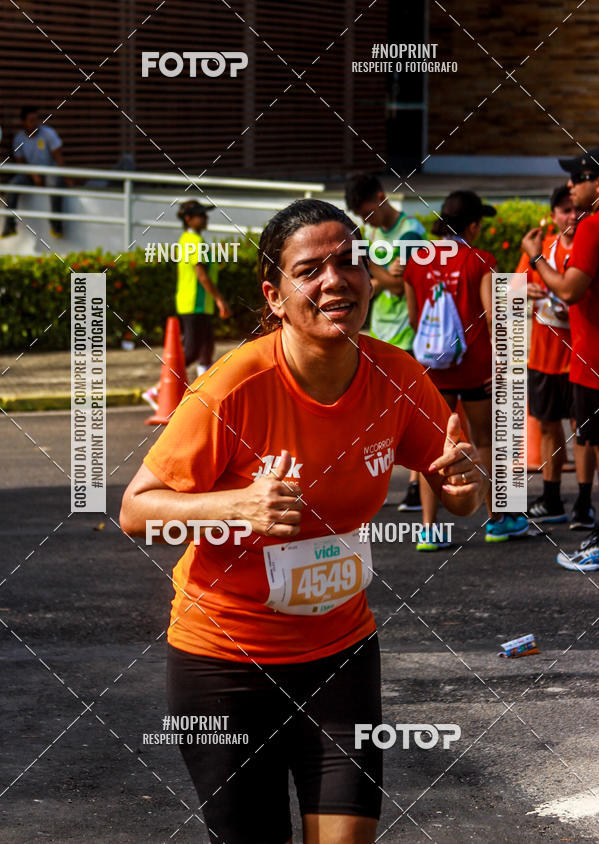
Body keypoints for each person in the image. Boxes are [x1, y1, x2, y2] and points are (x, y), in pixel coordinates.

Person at [120, 199, 488, 843]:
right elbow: (136, 510)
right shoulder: (234, 388)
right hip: (223, 665)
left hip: (340, 658)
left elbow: (455, 495)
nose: (334, 280)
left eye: (350, 262)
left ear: (371, 278)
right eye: (310, 269)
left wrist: (460, 484)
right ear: (276, 294)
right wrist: (236, 505)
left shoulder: (397, 378)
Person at [404, 190, 529, 548]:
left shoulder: (417, 261)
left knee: (432, 446)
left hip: (433, 367)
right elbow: (492, 317)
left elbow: (415, 320)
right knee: (486, 439)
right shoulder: (481, 261)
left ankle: (429, 530)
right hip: (476, 367)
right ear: (472, 226)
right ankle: (496, 521)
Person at [521, 148, 599, 570]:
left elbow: (569, 291)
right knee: (581, 438)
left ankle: (595, 527)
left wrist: (536, 258)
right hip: (573, 358)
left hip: (590, 360)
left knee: (593, 443)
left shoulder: (591, 226)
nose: (571, 186)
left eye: (579, 178)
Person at [344, 173, 425, 512]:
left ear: (381, 197)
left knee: (412, 413)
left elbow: (395, 285)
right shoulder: (373, 231)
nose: (365, 221)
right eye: (360, 218)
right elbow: (384, 276)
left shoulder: (411, 231)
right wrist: (379, 267)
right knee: (376, 413)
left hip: (407, 333)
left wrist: (366, 258)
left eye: (367, 212)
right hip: (377, 331)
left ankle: (415, 486)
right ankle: (374, 484)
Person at [143, 199, 231, 410]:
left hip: (198, 304)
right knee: (190, 351)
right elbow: (201, 274)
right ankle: (157, 391)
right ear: (188, 219)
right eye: (201, 215)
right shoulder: (194, 242)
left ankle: (204, 397)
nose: (205, 218)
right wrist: (220, 299)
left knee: (206, 349)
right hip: (195, 304)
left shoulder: (189, 240)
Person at [1, 107, 69, 238]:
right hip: (29, 174)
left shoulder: (48, 133)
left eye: (37, 119)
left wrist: (67, 178)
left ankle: (57, 226)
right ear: (23, 122)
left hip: (50, 171)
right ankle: (9, 226)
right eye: (31, 120)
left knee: (54, 184)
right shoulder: (18, 139)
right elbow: (21, 162)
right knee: (12, 186)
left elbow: (58, 157)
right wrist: (33, 175)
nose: (36, 123)